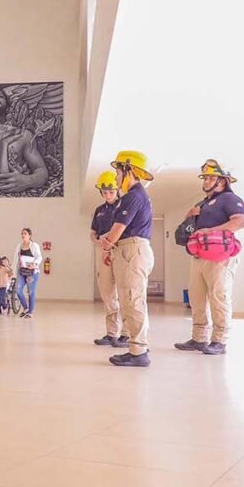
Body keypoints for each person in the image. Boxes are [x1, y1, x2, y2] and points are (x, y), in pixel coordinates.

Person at [175, 159, 244, 356]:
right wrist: (190, 214)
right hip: (199, 256)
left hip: (220, 257)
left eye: (211, 178)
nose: (206, 181)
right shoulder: (203, 203)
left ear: (222, 181)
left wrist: (209, 231)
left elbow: (239, 222)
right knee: (196, 298)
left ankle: (219, 341)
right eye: (205, 178)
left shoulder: (230, 199)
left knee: (219, 297)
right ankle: (199, 338)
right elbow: (188, 227)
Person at [98, 150, 155, 367]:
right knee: (129, 300)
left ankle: (139, 352)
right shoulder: (134, 196)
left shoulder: (133, 196)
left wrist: (106, 243)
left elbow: (118, 229)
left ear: (129, 170)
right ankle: (136, 347)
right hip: (128, 250)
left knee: (133, 300)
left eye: (118, 171)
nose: (116, 176)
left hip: (133, 251)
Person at [90, 171, 128, 348]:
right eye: (104, 192)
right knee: (107, 293)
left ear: (117, 190)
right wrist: (98, 241)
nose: (108, 195)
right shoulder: (99, 210)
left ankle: (126, 334)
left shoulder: (124, 206)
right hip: (102, 251)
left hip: (120, 251)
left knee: (124, 291)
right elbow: (92, 233)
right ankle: (112, 333)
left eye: (111, 192)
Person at [12, 229, 42, 318]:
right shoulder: (19, 246)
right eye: (22, 233)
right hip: (22, 271)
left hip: (32, 272)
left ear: (30, 235)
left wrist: (34, 264)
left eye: (25, 233)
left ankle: (30, 312)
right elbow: (15, 259)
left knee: (31, 292)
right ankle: (26, 308)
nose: (23, 235)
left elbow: (39, 257)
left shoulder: (34, 245)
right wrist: (12, 271)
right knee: (18, 290)